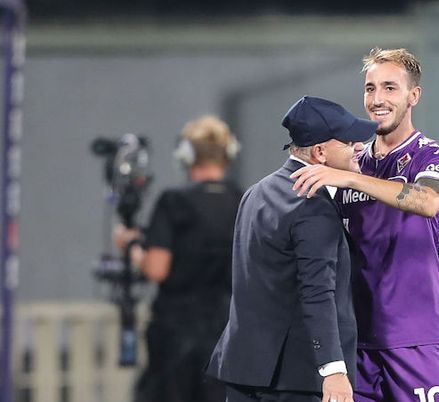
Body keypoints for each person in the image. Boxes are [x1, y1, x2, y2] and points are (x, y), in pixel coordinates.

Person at [291, 48, 439, 401]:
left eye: (390, 88)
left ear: (413, 96)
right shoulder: (349, 160)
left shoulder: (429, 156)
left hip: (419, 340)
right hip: (357, 344)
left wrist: (351, 180)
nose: (377, 99)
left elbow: (428, 201)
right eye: (370, 88)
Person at [205, 96, 377, 402]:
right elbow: (317, 291)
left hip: (244, 370)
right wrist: (333, 369)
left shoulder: (256, 192)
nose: (358, 148)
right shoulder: (313, 203)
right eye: (350, 142)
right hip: (296, 378)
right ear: (320, 152)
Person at [114, 115, 243, 402]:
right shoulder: (242, 200)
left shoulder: (174, 201)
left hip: (175, 332)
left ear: (187, 155)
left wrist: (132, 245)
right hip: (227, 332)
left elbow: (157, 268)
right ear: (230, 153)